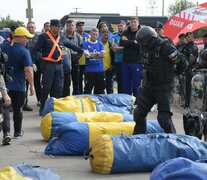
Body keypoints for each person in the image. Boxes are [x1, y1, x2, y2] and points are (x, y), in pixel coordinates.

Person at [133, 26, 188, 134]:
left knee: (164, 118)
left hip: (164, 87)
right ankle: (138, 140)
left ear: (152, 39)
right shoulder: (143, 46)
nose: (143, 46)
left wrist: (173, 74)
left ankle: (174, 142)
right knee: (139, 113)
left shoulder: (166, 47)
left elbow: (183, 63)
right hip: (149, 85)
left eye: (144, 43)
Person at [34, 19, 88, 116]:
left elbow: (71, 45)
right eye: (57, 27)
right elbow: (35, 50)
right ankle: (43, 108)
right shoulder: (43, 36)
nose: (59, 29)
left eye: (60, 27)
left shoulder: (61, 37)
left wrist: (82, 51)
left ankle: (55, 108)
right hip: (48, 65)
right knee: (46, 87)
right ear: (51, 27)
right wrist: (33, 63)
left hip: (59, 65)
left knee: (58, 88)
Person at [1, 27, 35, 143]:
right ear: (20, 37)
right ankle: (17, 132)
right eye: (26, 38)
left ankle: (6, 133)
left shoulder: (2, 47)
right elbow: (29, 70)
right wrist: (32, 86)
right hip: (19, 86)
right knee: (18, 109)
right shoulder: (24, 51)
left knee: (5, 109)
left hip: (4, 86)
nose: (28, 41)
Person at [119, 17, 143, 104]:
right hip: (125, 62)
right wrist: (134, 42)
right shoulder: (125, 32)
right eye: (131, 22)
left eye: (135, 22)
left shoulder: (141, 32)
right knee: (126, 84)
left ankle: (137, 103)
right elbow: (121, 43)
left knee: (136, 85)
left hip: (137, 62)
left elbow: (140, 46)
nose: (133, 24)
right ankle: (127, 103)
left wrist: (129, 42)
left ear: (138, 23)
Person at [82, 28, 105, 94]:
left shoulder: (100, 44)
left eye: (96, 34)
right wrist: (97, 53)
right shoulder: (85, 44)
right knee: (88, 89)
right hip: (90, 70)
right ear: (90, 34)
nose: (94, 36)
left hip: (100, 70)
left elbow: (103, 55)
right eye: (93, 34)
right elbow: (87, 55)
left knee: (100, 90)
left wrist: (91, 54)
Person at [63, 19, 82, 95]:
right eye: (69, 25)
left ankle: (76, 98)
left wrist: (77, 57)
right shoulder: (62, 35)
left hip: (75, 60)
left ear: (74, 26)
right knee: (66, 82)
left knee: (76, 81)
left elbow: (80, 48)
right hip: (65, 60)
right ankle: (66, 98)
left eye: (72, 25)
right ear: (66, 26)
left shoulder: (78, 36)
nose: (71, 27)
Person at [182, 32, 198, 108]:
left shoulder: (193, 46)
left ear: (192, 37)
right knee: (186, 87)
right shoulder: (186, 46)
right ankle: (186, 103)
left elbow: (191, 59)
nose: (188, 38)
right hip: (186, 69)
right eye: (187, 37)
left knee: (190, 88)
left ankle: (189, 104)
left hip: (190, 70)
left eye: (190, 36)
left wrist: (186, 65)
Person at [76, 21, 90, 94]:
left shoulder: (88, 36)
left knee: (87, 79)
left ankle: (86, 93)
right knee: (79, 79)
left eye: (82, 25)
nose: (81, 27)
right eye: (79, 25)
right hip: (78, 61)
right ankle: (80, 94)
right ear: (77, 27)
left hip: (87, 61)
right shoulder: (75, 36)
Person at [112, 20, 126, 93]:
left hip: (127, 61)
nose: (120, 27)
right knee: (119, 81)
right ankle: (120, 97)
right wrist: (125, 48)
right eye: (118, 26)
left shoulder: (127, 36)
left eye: (121, 25)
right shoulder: (114, 37)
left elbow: (130, 47)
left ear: (125, 26)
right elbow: (114, 49)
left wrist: (119, 48)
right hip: (118, 61)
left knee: (127, 80)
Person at [100, 30, 114, 94]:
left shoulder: (110, 44)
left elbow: (113, 55)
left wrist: (112, 65)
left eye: (107, 35)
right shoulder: (98, 44)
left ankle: (110, 101)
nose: (106, 36)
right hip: (99, 69)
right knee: (100, 86)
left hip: (108, 69)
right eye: (104, 35)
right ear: (101, 36)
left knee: (109, 86)